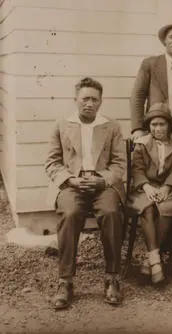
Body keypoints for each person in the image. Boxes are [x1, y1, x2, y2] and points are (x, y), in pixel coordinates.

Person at [44, 77, 126, 310]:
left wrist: (102, 180)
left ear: (101, 102)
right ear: (75, 100)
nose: (89, 103)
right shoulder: (62, 125)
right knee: (69, 214)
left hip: (103, 184)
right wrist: (71, 179)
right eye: (85, 99)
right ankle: (65, 281)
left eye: (94, 99)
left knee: (111, 213)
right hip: (72, 184)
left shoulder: (112, 126)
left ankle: (112, 278)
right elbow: (51, 162)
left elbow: (120, 164)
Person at [127, 103, 172, 284]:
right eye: (154, 125)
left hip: (168, 187)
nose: (158, 128)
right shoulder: (142, 144)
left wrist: (167, 188)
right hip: (145, 187)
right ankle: (156, 259)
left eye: (162, 124)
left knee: (168, 208)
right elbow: (137, 169)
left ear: (169, 125)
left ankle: (150, 259)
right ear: (149, 127)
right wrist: (146, 187)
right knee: (147, 208)